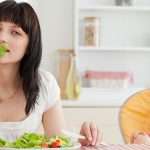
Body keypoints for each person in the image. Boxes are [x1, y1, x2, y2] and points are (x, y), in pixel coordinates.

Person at [0, 0, 101, 146]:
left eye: (15, 32)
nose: (2, 38)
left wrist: (81, 140)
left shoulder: (44, 84)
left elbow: (58, 142)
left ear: (29, 45)